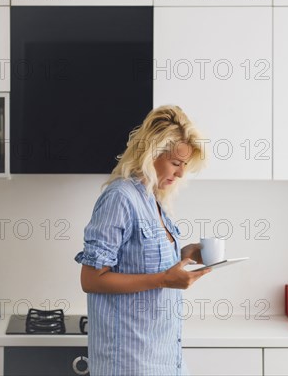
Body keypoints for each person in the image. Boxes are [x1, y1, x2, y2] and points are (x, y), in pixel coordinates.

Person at [74, 105, 211, 375]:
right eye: (175, 163)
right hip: (129, 362)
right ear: (151, 154)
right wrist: (163, 280)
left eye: (184, 165)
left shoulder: (154, 200)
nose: (181, 173)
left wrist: (187, 253)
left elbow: (142, 260)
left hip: (163, 357)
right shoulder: (120, 198)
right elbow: (91, 279)